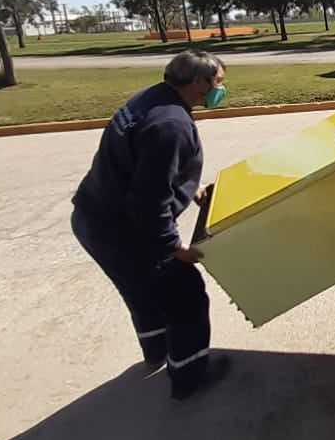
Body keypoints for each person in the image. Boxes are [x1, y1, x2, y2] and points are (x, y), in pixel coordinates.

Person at [70, 48, 232, 401]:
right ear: (198, 83)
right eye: (218, 82)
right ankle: (189, 376)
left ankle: (157, 351)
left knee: (142, 294)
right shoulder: (171, 125)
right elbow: (148, 202)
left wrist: (189, 188)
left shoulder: (152, 100)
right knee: (186, 297)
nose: (222, 89)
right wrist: (174, 248)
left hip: (93, 219)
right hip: (126, 231)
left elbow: (146, 169)